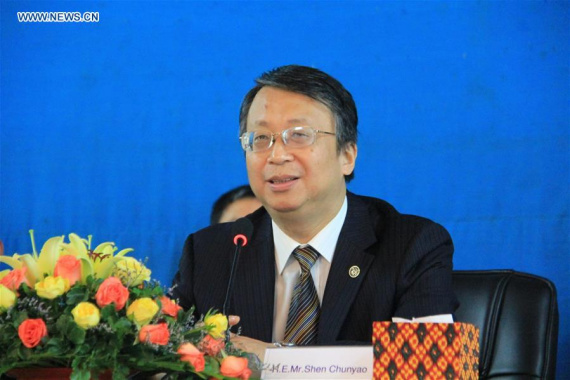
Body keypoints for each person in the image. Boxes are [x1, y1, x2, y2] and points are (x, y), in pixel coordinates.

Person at [172, 65, 458, 357]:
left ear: (347, 155)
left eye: (298, 135)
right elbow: (158, 361)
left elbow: (429, 366)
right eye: (260, 138)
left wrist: (273, 359)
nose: (277, 155)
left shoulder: (411, 245)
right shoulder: (210, 252)